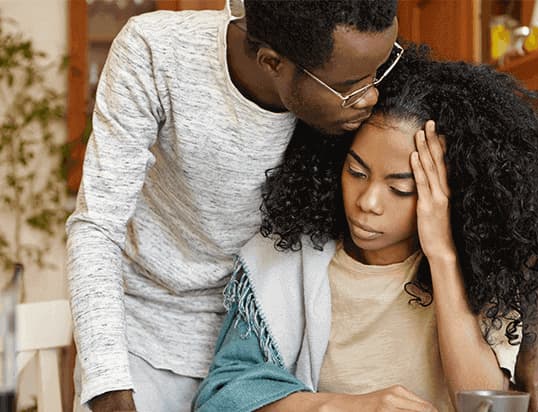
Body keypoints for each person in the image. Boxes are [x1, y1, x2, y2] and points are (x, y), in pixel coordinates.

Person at [194, 45, 538, 412]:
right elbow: (223, 394)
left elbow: (482, 406)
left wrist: (443, 256)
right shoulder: (282, 263)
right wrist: (349, 406)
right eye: (356, 172)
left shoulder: (479, 273)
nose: (368, 202)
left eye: (400, 188)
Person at [66, 1, 400, 410]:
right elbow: (97, 225)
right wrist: (108, 382)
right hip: (142, 342)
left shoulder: (345, 85)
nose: (372, 97)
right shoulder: (156, 51)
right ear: (273, 63)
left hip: (265, 351)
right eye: (348, 85)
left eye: (379, 71)